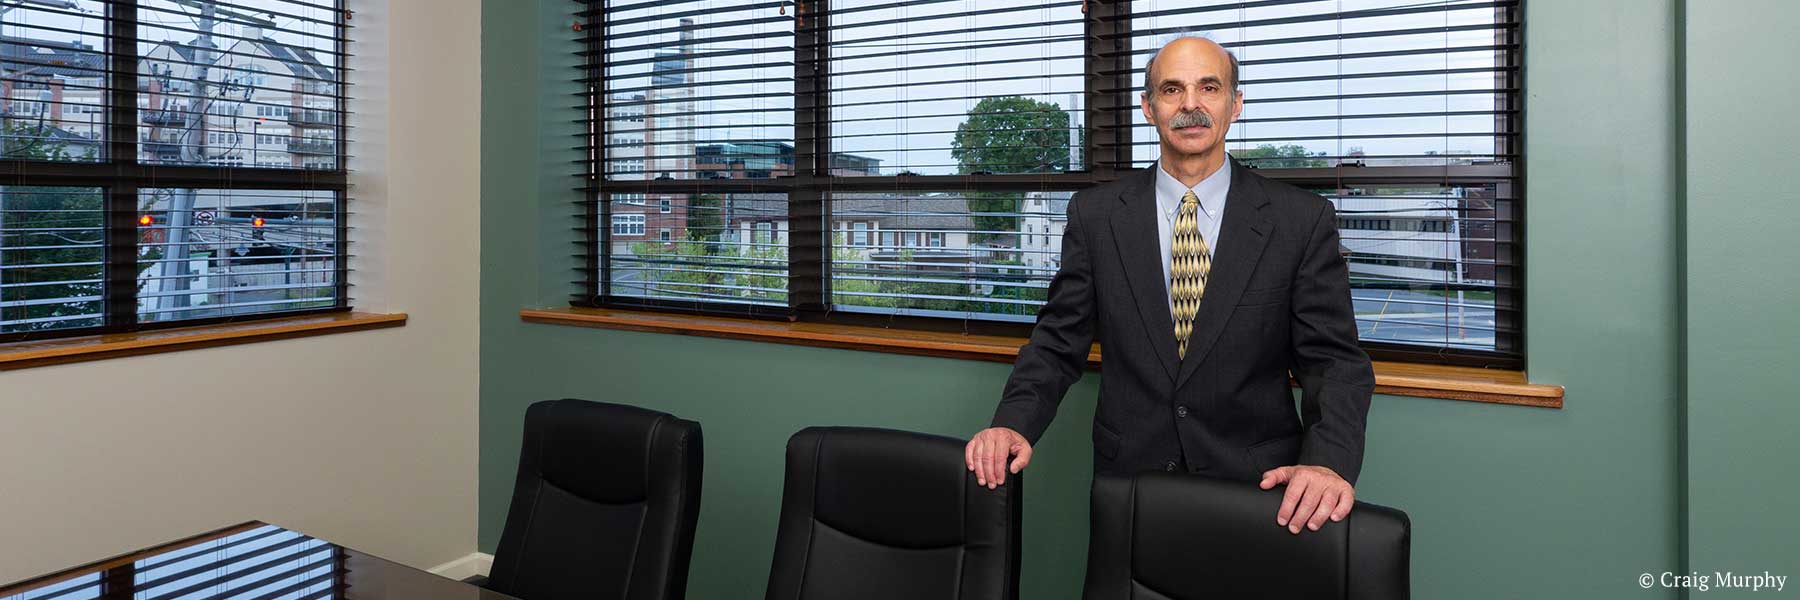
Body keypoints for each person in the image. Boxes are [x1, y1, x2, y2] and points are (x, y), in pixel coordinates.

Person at [963, 36, 1375, 535]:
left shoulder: (1300, 221)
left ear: (1235, 103)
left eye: (1209, 87)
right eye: (1172, 89)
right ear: (1148, 106)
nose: (1191, 105)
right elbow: (1057, 340)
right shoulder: (1095, 217)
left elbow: (1334, 362)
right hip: (1129, 484)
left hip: (1262, 488)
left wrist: (1328, 461)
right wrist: (1013, 422)